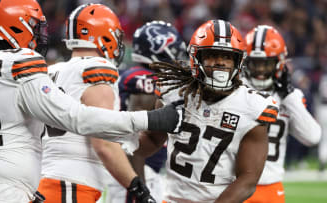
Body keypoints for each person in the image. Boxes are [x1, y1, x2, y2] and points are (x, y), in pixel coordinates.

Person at [0, 1, 180, 202]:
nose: (38, 33)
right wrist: (150, 120)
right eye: (33, 25)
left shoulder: (47, 70)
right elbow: (86, 125)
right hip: (47, 185)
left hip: (25, 181)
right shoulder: (27, 65)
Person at [133, 19, 279, 203]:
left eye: (226, 57)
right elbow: (152, 140)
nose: (220, 63)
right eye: (212, 55)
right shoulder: (173, 91)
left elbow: (248, 179)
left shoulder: (252, 106)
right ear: (196, 58)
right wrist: (120, 139)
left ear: (237, 61)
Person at [38, 4, 156, 203]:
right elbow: (103, 143)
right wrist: (137, 187)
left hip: (45, 181)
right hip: (71, 185)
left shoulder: (51, 71)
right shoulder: (96, 68)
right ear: (105, 35)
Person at [242, 25, 321, 203]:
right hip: (233, 183)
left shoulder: (290, 97)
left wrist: (289, 96)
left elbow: (313, 136)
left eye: (266, 63)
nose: (261, 70)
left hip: (271, 186)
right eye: (256, 63)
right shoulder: (237, 92)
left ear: (280, 62)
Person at [113, 21, 187, 203]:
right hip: (137, 168)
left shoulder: (133, 74)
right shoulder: (142, 79)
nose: (179, 57)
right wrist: (139, 187)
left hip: (144, 166)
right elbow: (138, 131)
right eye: (175, 51)